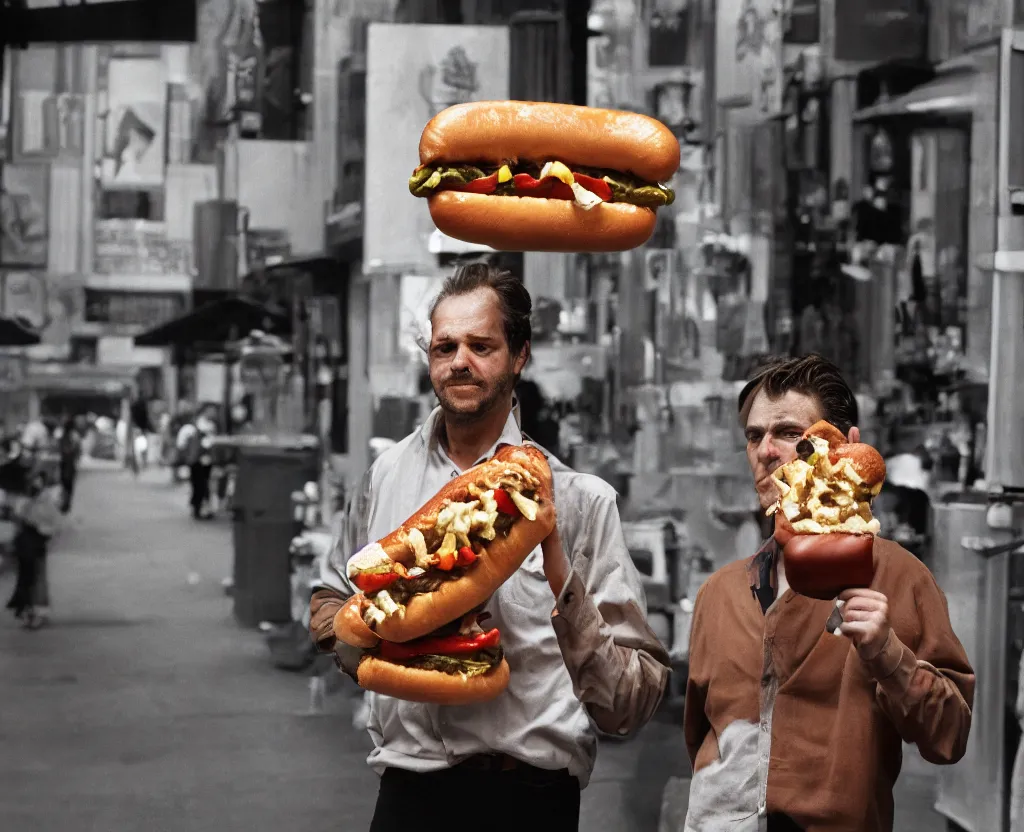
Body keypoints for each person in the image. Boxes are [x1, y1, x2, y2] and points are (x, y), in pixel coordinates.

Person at [309, 264, 669, 831]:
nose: (459, 362)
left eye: (482, 346)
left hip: (527, 797)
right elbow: (329, 595)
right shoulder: (385, 475)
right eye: (444, 346)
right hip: (407, 793)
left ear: (520, 355)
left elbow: (631, 703)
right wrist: (374, 644)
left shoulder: (578, 501)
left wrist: (559, 578)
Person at [683, 354, 974, 831]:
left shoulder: (900, 579)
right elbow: (699, 742)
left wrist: (889, 655)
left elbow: (950, 737)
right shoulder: (719, 595)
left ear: (846, 448)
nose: (766, 451)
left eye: (790, 434)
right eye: (755, 436)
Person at [5, 465, 60, 629]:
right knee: (28, 576)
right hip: (26, 541)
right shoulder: (22, 498)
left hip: (35, 541)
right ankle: (31, 610)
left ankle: (37, 610)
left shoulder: (42, 498)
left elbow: (50, 522)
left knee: (36, 575)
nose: (35, 481)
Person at [176, 407, 217, 520]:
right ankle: (198, 508)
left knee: (203, 485)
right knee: (199, 485)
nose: (213, 413)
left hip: (205, 460)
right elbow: (181, 445)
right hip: (196, 460)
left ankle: (201, 508)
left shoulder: (211, 426)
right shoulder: (192, 428)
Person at [56, 415, 82, 514]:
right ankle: (66, 503)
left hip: (67, 463)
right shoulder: (73, 435)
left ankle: (65, 504)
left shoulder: (64, 435)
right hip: (69, 463)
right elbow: (78, 450)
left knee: (65, 483)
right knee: (68, 484)